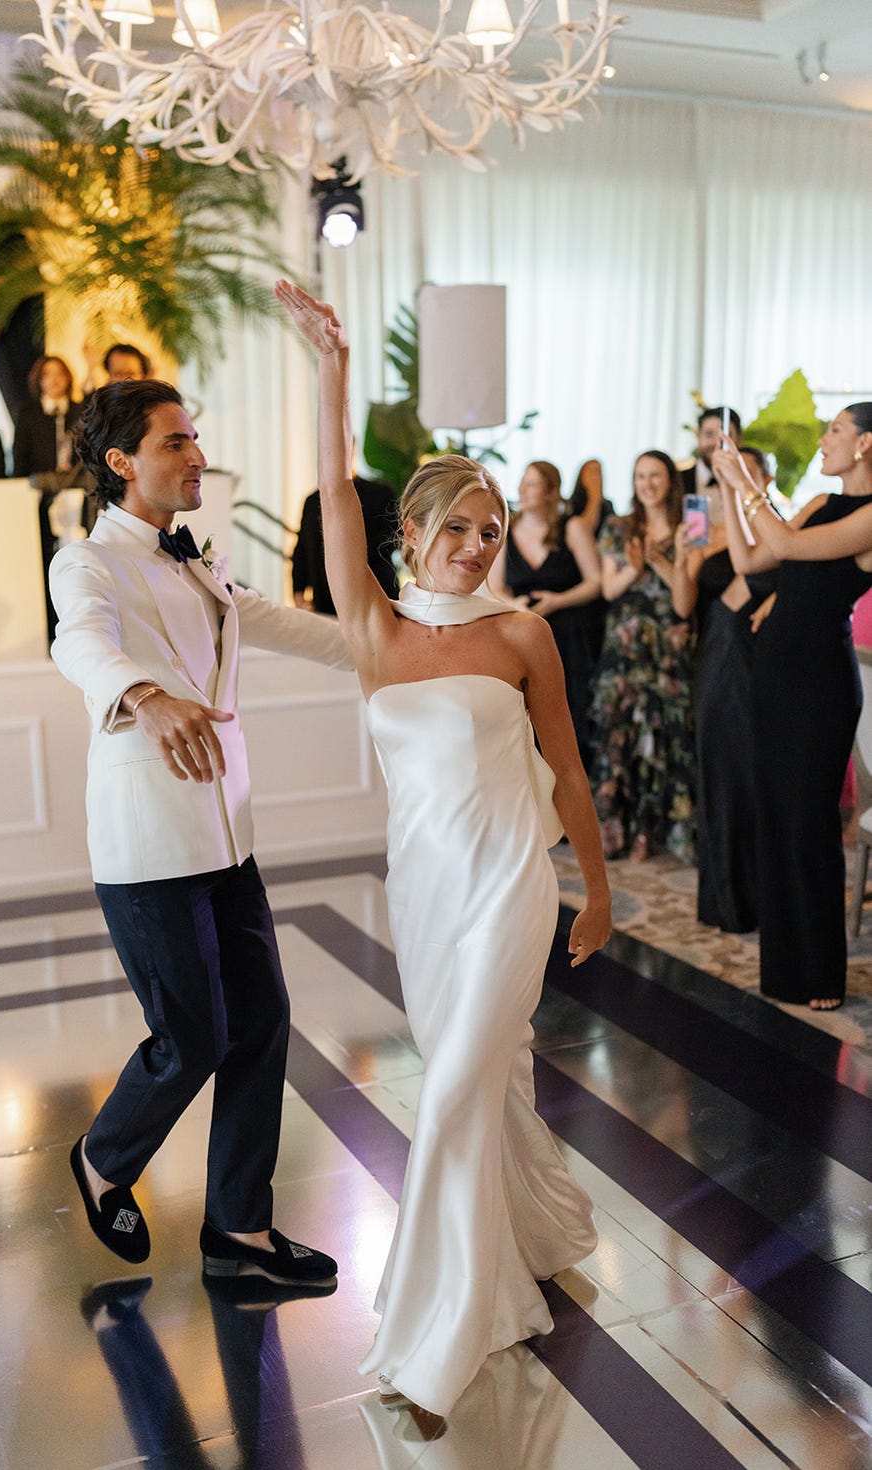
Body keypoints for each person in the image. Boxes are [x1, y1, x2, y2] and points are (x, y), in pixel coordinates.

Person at [276, 278, 610, 1423]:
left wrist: (594, 893)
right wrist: (329, 365)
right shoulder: (371, 631)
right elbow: (331, 489)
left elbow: (566, 772)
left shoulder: (522, 635)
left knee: (458, 1089)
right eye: (453, 529)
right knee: (474, 1083)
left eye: (488, 529)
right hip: (421, 897)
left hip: (513, 888)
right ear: (408, 535)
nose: (474, 547)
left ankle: (436, 1343)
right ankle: (536, 1231)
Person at [49, 377, 352, 1283]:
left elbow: (291, 628)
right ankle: (105, 1158)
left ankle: (239, 1231)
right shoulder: (87, 563)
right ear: (121, 463)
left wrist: (414, 642)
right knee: (191, 1035)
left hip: (228, 836)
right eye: (176, 442)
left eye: (194, 439)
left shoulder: (201, 562)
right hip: (148, 846)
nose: (197, 456)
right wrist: (143, 696)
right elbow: (78, 643)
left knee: (262, 1023)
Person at [714, 403, 872, 1010]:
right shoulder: (818, 504)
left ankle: (823, 974)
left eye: (835, 429)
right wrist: (732, 488)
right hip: (775, 678)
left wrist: (746, 481)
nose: (824, 440)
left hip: (820, 687)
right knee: (776, 819)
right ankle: (785, 971)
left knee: (809, 824)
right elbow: (754, 559)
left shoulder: (867, 516)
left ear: (864, 444)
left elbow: (783, 539)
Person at [673, 446, 777, 932]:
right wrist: (678, 557)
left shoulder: (782, 526)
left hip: (763, 659)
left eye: (744, 472)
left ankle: (760, 898)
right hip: (715, 653)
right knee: (718, 770)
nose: (730, 479)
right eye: (722, 474)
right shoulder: (699, 521)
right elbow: (682, 602)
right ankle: (722, 900)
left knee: (756, 773)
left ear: (766, 478)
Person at [589, 450, 697, 863]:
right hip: (625, 649)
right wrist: (636, 569)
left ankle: (662, 833)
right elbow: (608, 590)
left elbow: (685, 603)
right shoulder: (619, 528)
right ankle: (628, 832)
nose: (647, 483)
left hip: (668, 649)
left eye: (655, 475)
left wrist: (663, 562)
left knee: (666, 740)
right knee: (622, 740)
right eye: (639, 476)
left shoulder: (691, 529)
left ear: (670, 480)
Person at [487, 460, 602, 765]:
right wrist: (517, 607)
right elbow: (496, 587)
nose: (522, 489)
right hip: (524, 637)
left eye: (533, 484)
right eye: (522, 482)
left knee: (574, 714)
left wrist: (557, 601)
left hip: (571, 637)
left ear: (552, 492)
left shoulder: (572, 527)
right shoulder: (505, 529)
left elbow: (596, 582)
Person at [13, 354, 87, 644]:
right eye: (48, 374)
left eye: (60, 373)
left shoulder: (81, 411)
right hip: (42, 500)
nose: (54, 379)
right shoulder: (29, 413)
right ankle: (51, 629)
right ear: (38, 380)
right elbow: (20, 458)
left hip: (79, 499)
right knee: (47, 560)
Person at [292, 475, 400, 613]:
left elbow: (391, 541)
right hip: (326, 601)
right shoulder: (312, 502)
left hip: (376, 599)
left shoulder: (379, 493)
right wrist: (298, 592)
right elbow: (302, 550)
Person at [680, 406, 742, 528]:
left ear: (739, 440)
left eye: (725, 436)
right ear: (698, 439)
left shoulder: (749, 480)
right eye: (709, 435)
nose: (716, 443)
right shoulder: (678, 480)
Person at [567, 458, 615, 538]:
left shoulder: (607, 504)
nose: (596, 477)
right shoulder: (571, 504)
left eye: (599, 472)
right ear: (582, 477)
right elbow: (582, 533)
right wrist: (594, 498)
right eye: (592, 472)